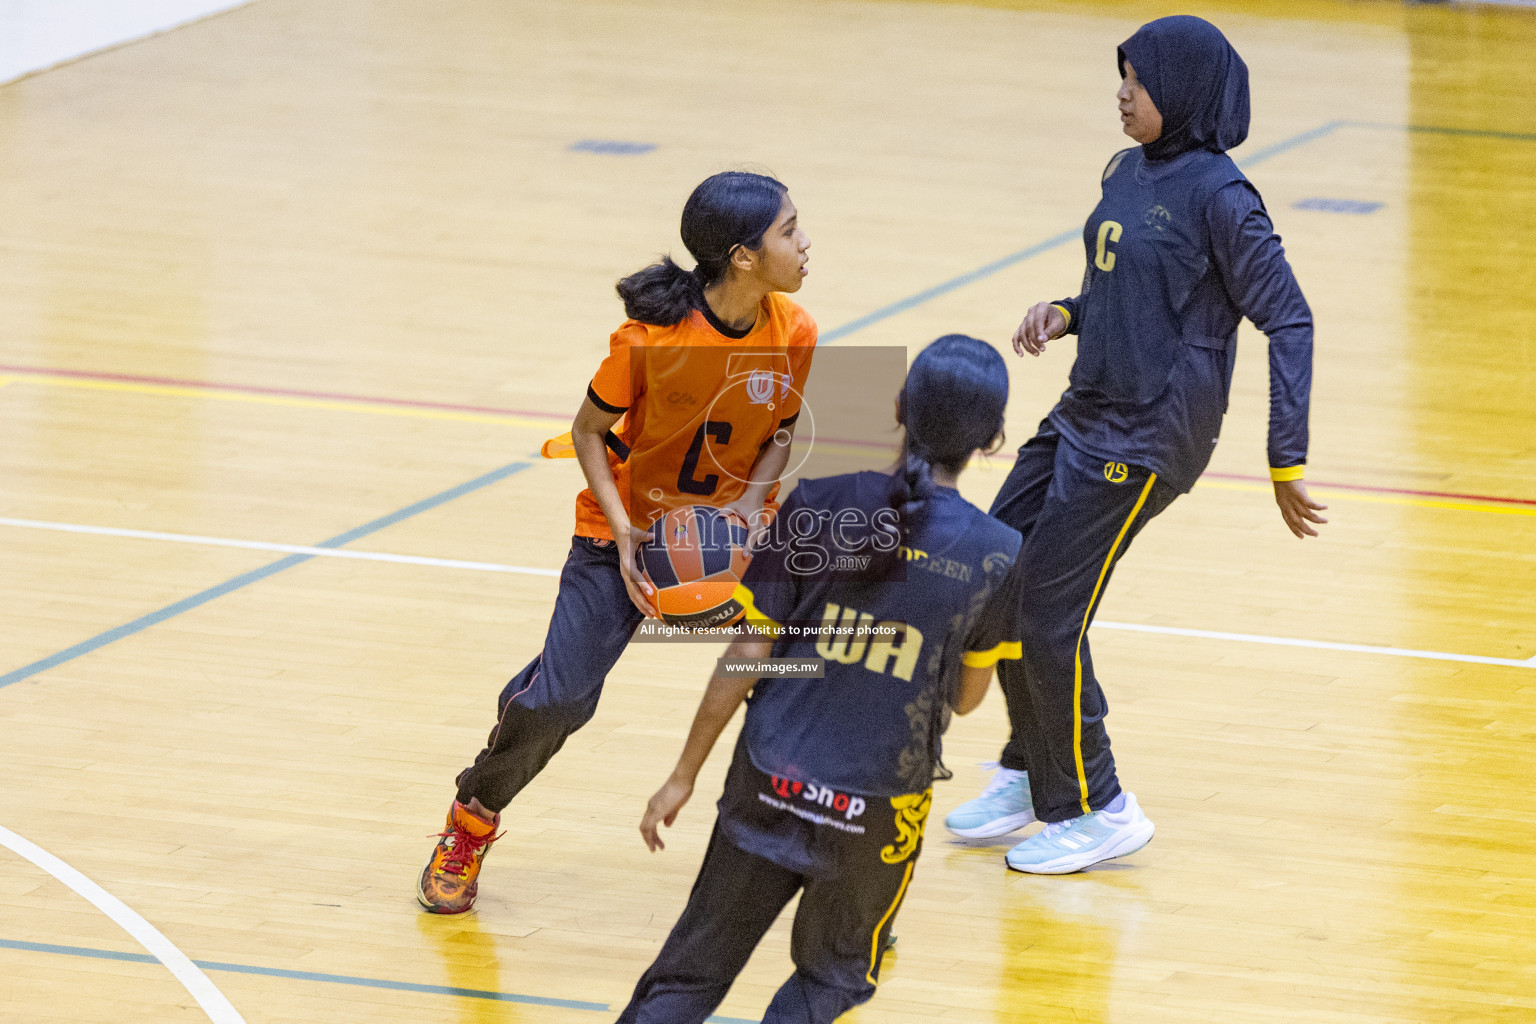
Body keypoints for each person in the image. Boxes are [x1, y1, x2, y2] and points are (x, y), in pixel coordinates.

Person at [943, 15, 1327, 874]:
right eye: (1120, 77)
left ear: (1182, 93)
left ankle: (1099, 804)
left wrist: (1286, 455)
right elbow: (1126, 284)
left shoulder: (1224, 198)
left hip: (1150, 434)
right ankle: (1034, 770)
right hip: (1087, 407)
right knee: (1002, 574)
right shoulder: (1126, 170)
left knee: (1050, 611)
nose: (1122, 93)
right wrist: (1067, 313)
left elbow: (1289, 317)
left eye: (1138, 81)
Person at [418, 171, 816, 914]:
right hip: (621, 541)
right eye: (789, 230)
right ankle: (471, 818)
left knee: (811, 660)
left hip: (723, 544)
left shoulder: (794, 330)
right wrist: (627, 528)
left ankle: (803, 842)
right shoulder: (648, 340)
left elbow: (786, 432)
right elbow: (587, 432)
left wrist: (752, 504)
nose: (805, 242)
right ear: (741, 258)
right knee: (563, 703)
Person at [618, 335, 1026, 1024]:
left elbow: (747, 653)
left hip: (769, 776)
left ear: (899, 408)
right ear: (993, 439)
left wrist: (683, 774)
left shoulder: (820, 500)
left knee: (689, 976)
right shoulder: (999, 555)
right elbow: (966, 696)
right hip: (877, 810)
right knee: (831, 979)